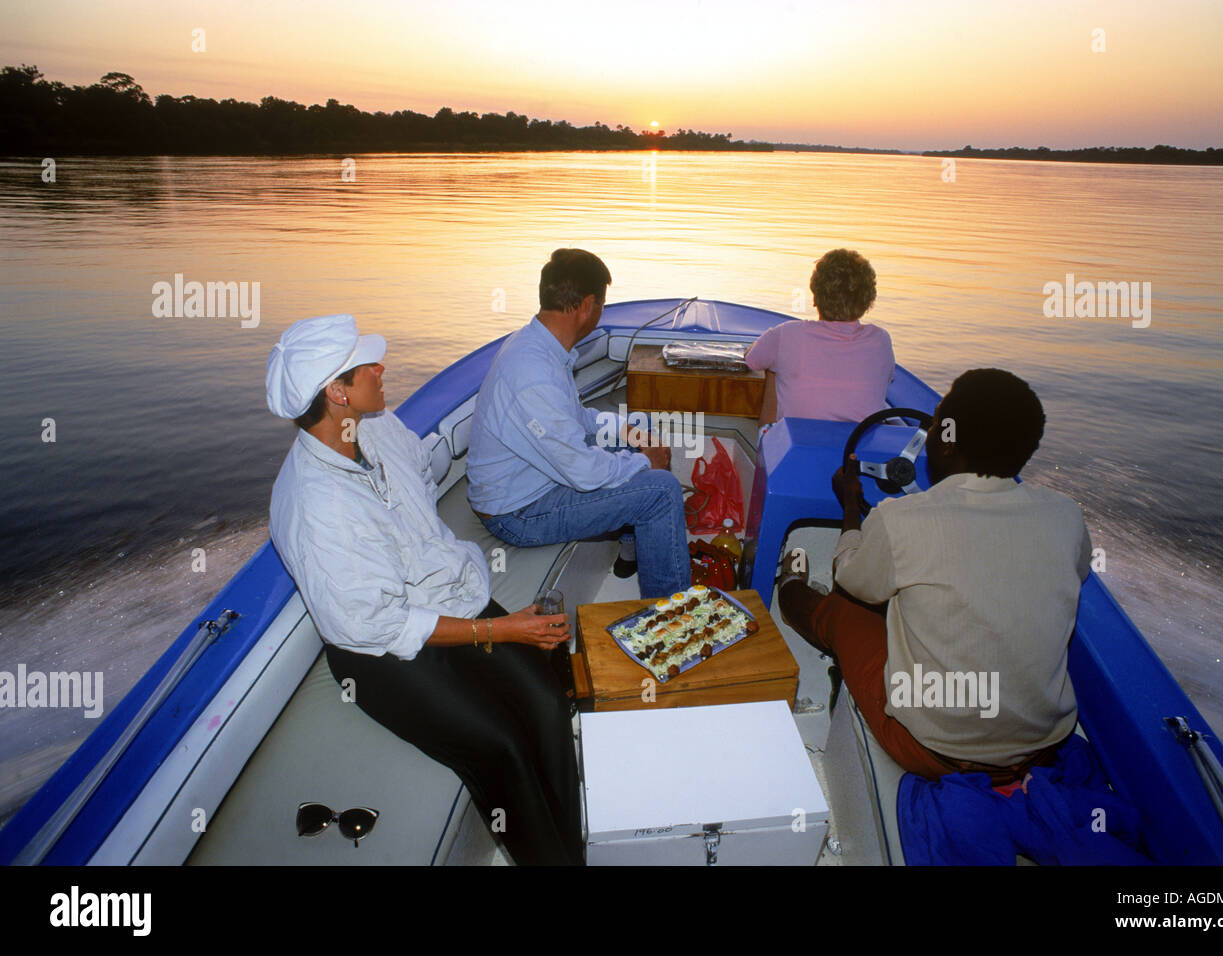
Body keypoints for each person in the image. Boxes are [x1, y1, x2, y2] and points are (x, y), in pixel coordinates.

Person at [266, 313, 583, 865]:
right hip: (379, 653)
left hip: (450, 599)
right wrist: (506, 628)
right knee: (500, 746)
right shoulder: (315, 510)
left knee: (547, 705)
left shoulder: (377, 427)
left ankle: (571, 854)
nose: (381, 367)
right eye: (366, 365)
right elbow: (382, 626)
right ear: (336, 393)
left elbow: (419, 472)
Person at [778, 368, 1092, 784]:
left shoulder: (903, 519)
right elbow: (1072, 572)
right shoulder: (1067, 516)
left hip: (932, 750)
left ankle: (788, 587)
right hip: (1040, 748)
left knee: (842, 610)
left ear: (944, 441)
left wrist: (851, 507)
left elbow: (851, 578)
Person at [467, 249, 691, 599]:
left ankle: (630, 552)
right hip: (518, 512)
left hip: (537, 480)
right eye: (602, 304)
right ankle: (670, 612)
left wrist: (630, 432)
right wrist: (648, 463)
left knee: (640, 423)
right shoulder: (533, 373)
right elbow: (582, 472)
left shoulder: (540, 346)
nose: (601, 312)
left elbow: (577, 419)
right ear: (587, 305)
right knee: (661, 492)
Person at [745, 248, 895, 428]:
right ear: (868, 301)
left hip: (798, 449)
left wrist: (756, 347)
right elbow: (887, 378)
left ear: (815, 296)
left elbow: (752, 360)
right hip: (856, 451)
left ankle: (765, 446)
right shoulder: (881, 340)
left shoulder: (787, 334)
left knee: (773, 368)